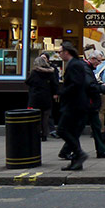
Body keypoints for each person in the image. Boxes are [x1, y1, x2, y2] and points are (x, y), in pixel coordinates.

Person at [57, 42, 93, 170]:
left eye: (60, 52)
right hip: (76, 104)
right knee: (72, 132)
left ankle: (79, 153)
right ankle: (76, 163)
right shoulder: (74, 64)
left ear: (66, 52)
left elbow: (76, 84)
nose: (59, 54)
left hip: (74, 104)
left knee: (61, 130)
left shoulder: (74, 65)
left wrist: (61, 93)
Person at [26, 53, 60, 141]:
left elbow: (28, 82)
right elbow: (55, 84)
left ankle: (36, 133)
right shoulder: (50, 72)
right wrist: (55, 93)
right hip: (46, 97)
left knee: (36, 117)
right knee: (46, 117)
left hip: (35, 98)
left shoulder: (34, 73)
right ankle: (44, 134)